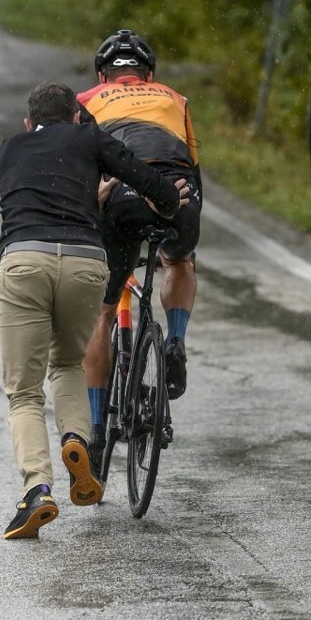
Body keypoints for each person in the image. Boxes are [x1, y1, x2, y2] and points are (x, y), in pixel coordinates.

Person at [0, 81, 187, 539]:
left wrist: (84, 196)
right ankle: (77, 440)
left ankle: (38, 490)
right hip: (84, 261)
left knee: (24, 391)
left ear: (28, 123)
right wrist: (168, 201)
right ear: (78, 116)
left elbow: (36, 194)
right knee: (67, 364)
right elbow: (143, 176)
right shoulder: (89, 138)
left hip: (25, 259)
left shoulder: (8, 150)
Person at [75, 29, 203, 465]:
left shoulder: (86, 100)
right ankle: (176, 341)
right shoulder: (176, 98)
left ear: (102, 73)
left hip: (124, 193)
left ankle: (95, 431)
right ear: (149, 74)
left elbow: (82, 169)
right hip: (177, 187)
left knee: (103, 311)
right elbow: (192, 164)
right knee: (180, 260)